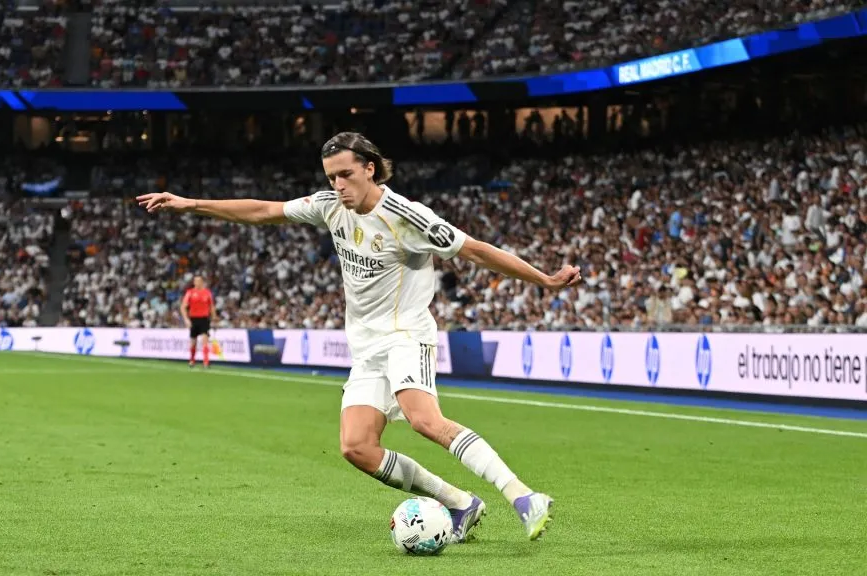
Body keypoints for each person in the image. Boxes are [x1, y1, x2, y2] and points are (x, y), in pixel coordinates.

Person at [138, 132, 581, 543]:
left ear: (370, 168)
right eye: (331, 176)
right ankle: (461, 504)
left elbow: (478, 251)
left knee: (424, 420)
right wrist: (190, 204)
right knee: (356, 447)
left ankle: (523, 495)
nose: (339, 185)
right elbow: (263, 210)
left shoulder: (408, 217)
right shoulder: (330, 205)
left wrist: (543, 279)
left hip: (407, 333)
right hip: (367, 348)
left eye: (346, 174)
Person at [181, 275, 215, 368]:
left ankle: (206, 361)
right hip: (194, 318)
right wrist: (186, 319)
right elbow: (183, 306)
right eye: (195, 281)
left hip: (204, 318)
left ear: (202, 282)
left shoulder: (207, 293)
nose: (197, 282)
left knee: (205, 339)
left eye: (199, 281)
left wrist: (214, 317)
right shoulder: (190, 292)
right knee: (193, 341)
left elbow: (211, 306)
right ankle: (192, 360)